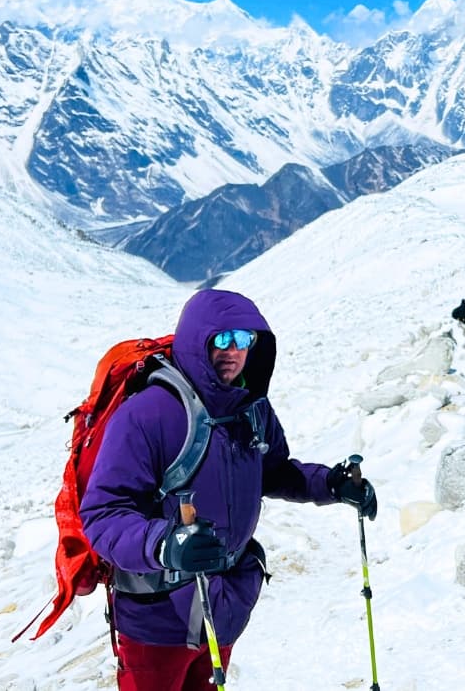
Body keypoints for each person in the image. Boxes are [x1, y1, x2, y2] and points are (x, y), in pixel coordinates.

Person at [80, 289, 378, 691]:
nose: (233, 351)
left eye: (244, 340)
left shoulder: (251, 407)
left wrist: (331, 484)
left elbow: (273, 472)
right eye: (221, 339)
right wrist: (164, 544)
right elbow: (103, 514)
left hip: (223, 602)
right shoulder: (148, 414)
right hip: (156, 617)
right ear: (195, 340)